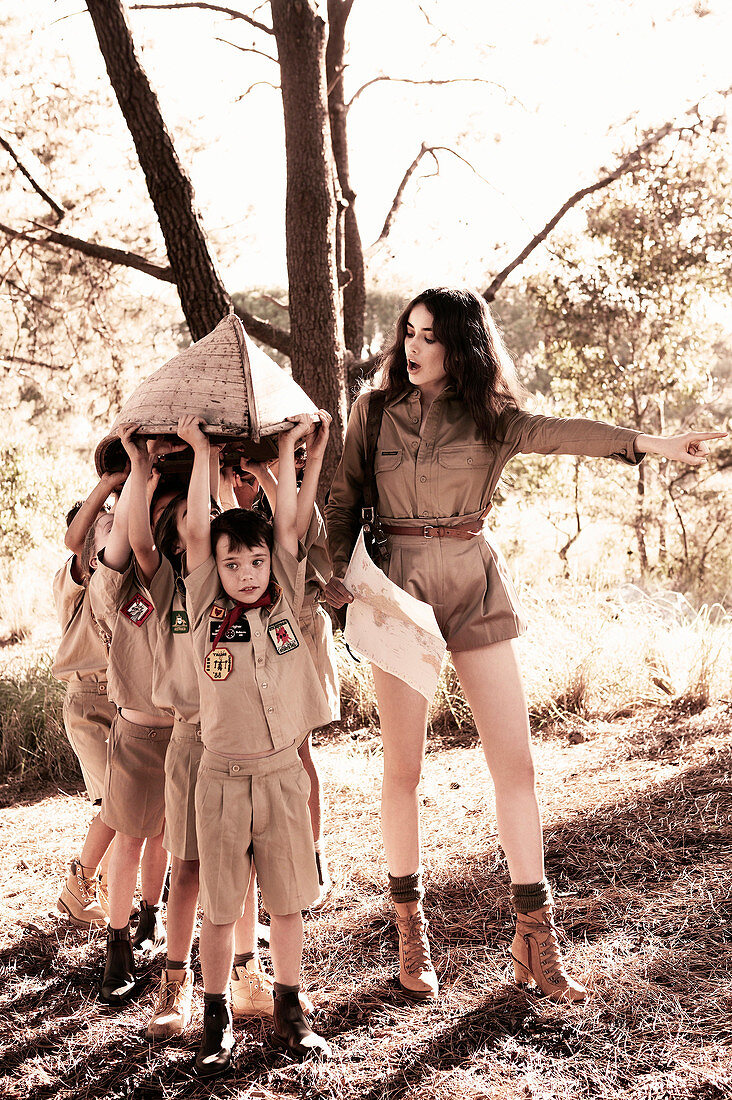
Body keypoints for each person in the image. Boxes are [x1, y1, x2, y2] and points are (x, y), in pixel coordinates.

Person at [324, 286, 726, 1003]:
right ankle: (410, 930)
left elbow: (566, 431)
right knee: (404, 771)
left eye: (429, 337)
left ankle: (536, 938)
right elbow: (345, 501)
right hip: (396, 595)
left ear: (462, 345)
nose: (412, 348)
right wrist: (329, 582)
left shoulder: (493, 418)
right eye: (407, 334)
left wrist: (656, 444)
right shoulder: (374, 411)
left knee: (517, 767)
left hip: (475, 586)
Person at [178, 411, 333, 1076]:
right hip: (221, 779)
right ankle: (215, 1018)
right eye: (232, 561)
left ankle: (292, 1011)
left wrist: (297, 453)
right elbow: (195, 529)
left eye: (256, 559)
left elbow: (292, 523)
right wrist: (199, 455)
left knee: (289, 900)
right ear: (215, 569)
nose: (246, 571)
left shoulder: (287, 601)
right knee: (221, 907)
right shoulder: (206, 604)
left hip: (280, 777)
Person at [89, 429, 179, 1004]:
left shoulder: (192, 558)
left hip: (188, 720)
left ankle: (150, 915)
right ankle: (118, 942)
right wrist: (139, 470)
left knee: (166, 833)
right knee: (129, 832)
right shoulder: (125, 564)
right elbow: (124, 544)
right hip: (140, 717)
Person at [52, 474, 124, 927]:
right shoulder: (74, 575)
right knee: (115, 805)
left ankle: (110, 894)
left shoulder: (119, 578)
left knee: (129, 807)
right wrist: (111, 484)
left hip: (125, 700)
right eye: (104, 527)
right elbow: (82, 543)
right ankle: (79, 885)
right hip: (88, 701)